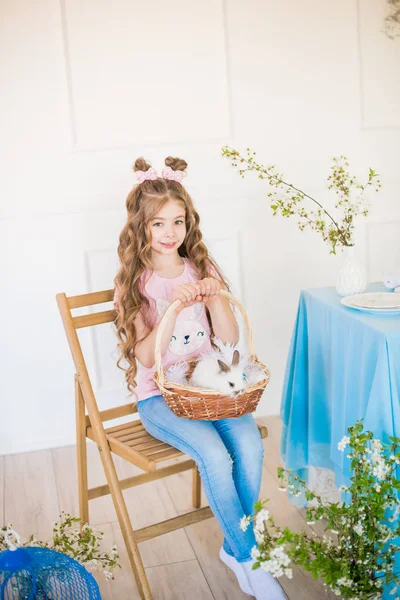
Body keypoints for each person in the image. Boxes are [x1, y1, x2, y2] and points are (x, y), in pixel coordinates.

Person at [113, 156, 285, 600]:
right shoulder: (135, 283)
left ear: (189, 222)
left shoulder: (201, 266)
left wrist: (214, 298)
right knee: (214, 455)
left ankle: (234, 548)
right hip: (161, 399)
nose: (170, 233)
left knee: (248, 445)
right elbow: (148, 359)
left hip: (209, 391)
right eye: (158, 225)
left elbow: (229, 344)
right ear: (141, 228)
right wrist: (172, 308)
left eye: (178, 221)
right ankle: (252, 559)